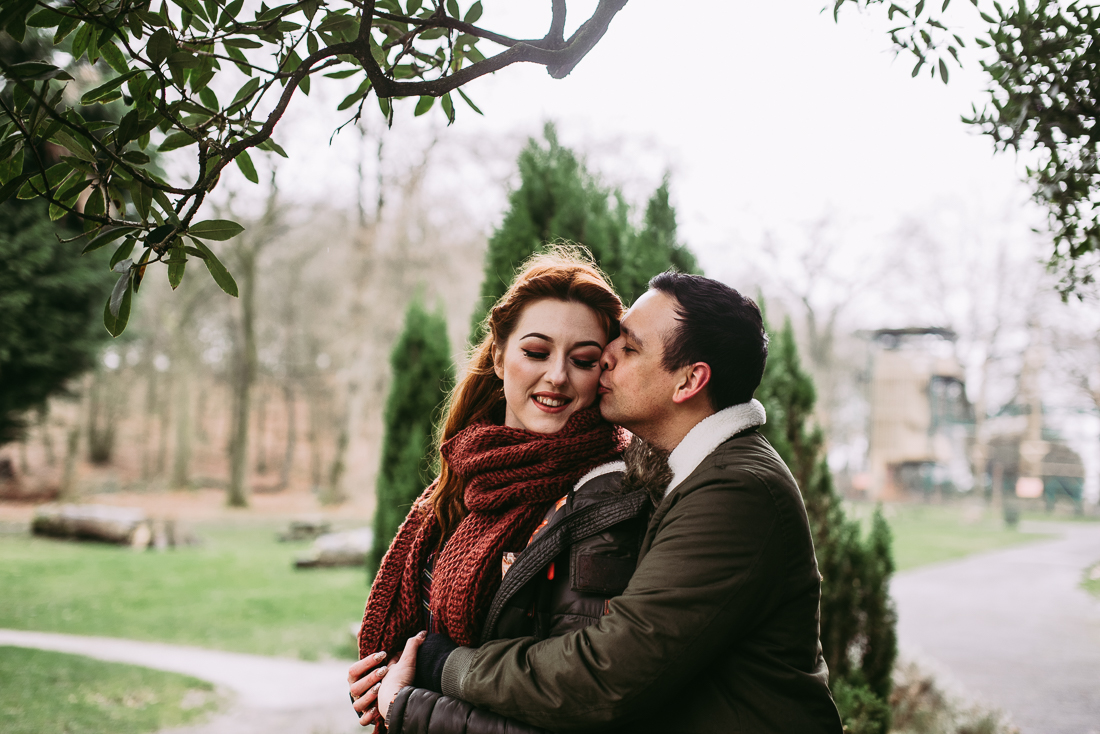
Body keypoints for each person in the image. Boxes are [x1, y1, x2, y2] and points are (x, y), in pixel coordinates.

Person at [371, 272, 845, 733]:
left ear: (688, 382)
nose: (607, 359)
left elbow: (602, 678)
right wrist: (389, 672)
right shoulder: (699, 476)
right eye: (536, 351)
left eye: (629, 347)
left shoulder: (733, 492)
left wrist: (429, 677)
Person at [347, 251, 655, 730]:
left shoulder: (605, 503)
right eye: (536, 352)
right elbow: (414, 635)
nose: (557, 376)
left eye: (583, 360)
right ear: (498, 356)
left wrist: (405, 704)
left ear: (604, 373)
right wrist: (379, 678)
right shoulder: (461, 483)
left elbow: (574, 711)